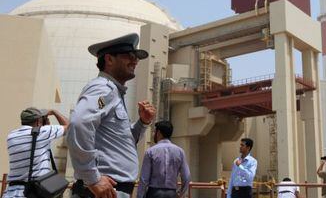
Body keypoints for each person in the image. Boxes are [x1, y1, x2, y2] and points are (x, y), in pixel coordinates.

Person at [67, 33, 156, 198]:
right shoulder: (103, 90)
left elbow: (120, 141)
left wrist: (142, 123)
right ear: (109, 59)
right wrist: (93, 179)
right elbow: (80, 123)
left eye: (135, 56)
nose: (135, 60)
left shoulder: (113, 94)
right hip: (101, 191)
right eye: (128, 55)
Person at [2, 107, 68, 198]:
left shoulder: (11, 136)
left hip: (11, 193)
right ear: (38, 121)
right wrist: (54, 112)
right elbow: (70, 127)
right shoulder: (43, 132)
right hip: (32, 193)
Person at [136, 121, 190, 198]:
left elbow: (144, 179)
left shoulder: (150, 151)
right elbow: (186, 176)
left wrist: (140, 196)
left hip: (154, 193)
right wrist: (181, 194)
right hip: (172, 193)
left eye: (154, 131)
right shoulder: (180, 151)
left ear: (158, 133)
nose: (153, 134)